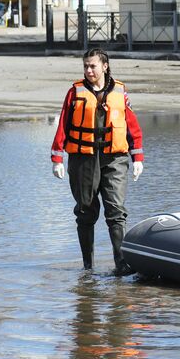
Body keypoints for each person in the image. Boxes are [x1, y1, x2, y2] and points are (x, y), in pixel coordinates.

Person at [51, 48, 144, 276]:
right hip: (83, 160)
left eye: (92, 66)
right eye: (85, 66)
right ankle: (88, 267)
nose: (88, 70)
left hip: (115, 159)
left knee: (116, 211)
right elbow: (63, 125)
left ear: (105, 66)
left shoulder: (120, 92)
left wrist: (138, 157)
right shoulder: (75, 92)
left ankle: (121, 264)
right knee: (85, 212)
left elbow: (132, 127)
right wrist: (57, 158)